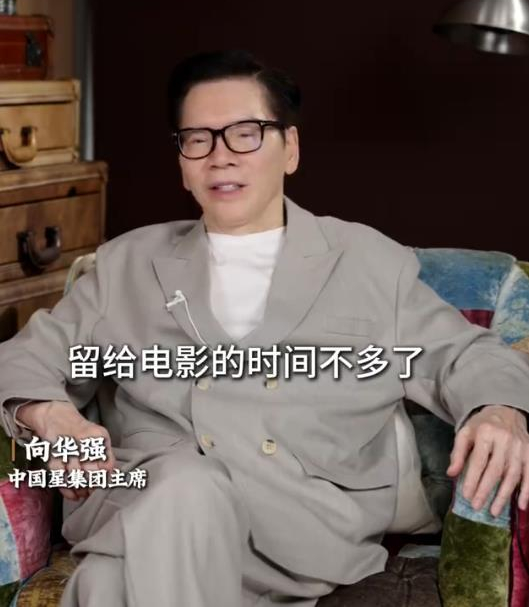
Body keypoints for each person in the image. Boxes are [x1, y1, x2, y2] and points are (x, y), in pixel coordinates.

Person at [1, 48, 529, 607]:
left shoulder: (368, 262)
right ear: (182, 160)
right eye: (198, 139)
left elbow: (466, 354)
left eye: (245, 134)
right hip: (142, 507)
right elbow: (22, 356)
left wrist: (498, 409)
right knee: (180, 493)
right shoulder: (125, 264)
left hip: (294, 535)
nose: (220, 157)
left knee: (106, 584)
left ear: (290, 148)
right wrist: (51, 414)